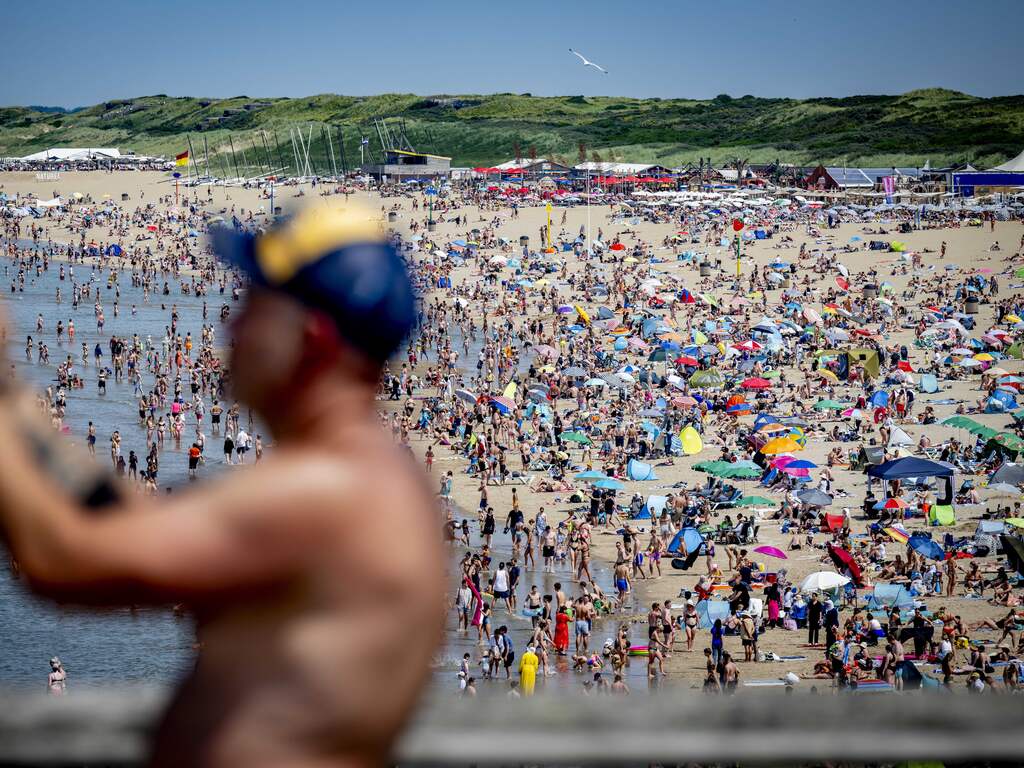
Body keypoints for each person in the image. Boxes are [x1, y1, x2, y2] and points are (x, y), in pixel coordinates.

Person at [0, 203, 444, 768]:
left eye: (253, 306)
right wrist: (14, 398)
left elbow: (60, 559)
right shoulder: (362, 474)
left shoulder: (326, 492)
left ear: (312, 338)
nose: (229, 328)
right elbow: (131, 521)